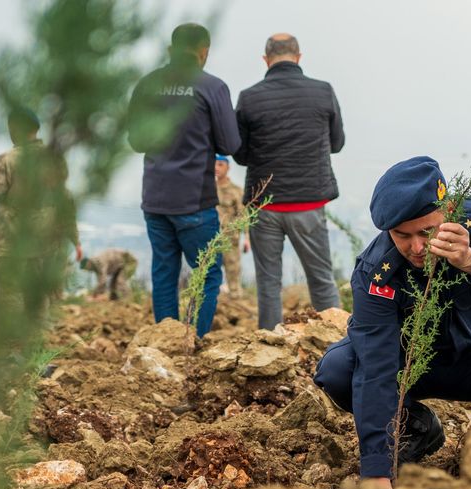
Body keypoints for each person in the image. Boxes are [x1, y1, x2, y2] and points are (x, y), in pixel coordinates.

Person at [314, 157, 471, 489]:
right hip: (408, 367)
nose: (416, 247)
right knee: (338, 369)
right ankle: (416, 429)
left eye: (425, 231)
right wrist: (377, 471)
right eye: (402, 235)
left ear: (448, 210)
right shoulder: (376, 271)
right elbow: (376, 365)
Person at [127, 23, 241, 337]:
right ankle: (192, 342)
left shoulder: (147, 84)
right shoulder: (212, 87)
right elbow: (230, 145)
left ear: (171, 49)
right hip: (194, 200)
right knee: (206, 275)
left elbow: (136, 141)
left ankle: (166, 342)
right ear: (204, 51)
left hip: (155, 198)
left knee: (164, 273)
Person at [234, 33, 345, 330]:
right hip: (309, 203)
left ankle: (270, 343)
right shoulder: (323, 91)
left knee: (269, 283)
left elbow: (241, 155)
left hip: (265, 204)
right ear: (298, 57)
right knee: (321, 278)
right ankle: (337, 341)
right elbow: (337, 143)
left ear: (266, 60)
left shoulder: (248, 97)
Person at [0, 108, 82, 295]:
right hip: (45, 247)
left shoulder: (7, 160)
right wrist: (75, 239)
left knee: (11, 303)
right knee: (40, 306)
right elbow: (65, 201)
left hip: (11, 247)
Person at [215, 155, 250, 299]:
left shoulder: (236, 190)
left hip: (230, 240)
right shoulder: (208, 189)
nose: (216, 168)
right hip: (211, 239)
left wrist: (247, 238)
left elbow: (244, 216)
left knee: (233, 272)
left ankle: (236, 307)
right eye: (215, 164)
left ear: (228, 168)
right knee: (209, 274)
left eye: (221, 164)